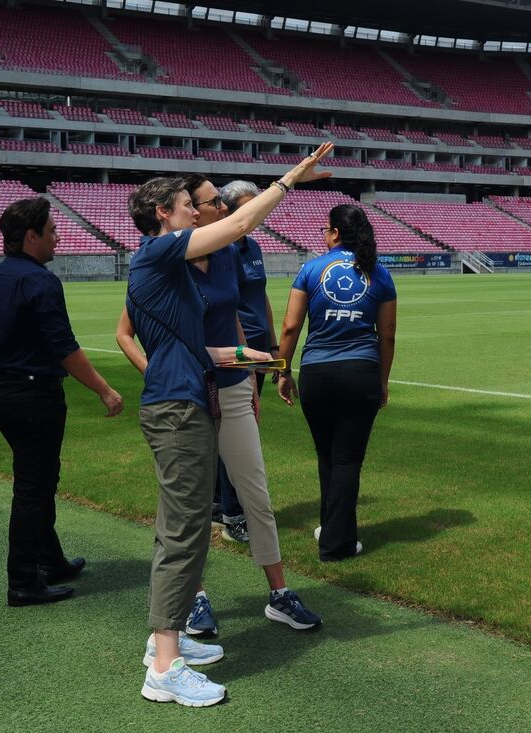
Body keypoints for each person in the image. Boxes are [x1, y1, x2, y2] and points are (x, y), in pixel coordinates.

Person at [125, 142, 332, 708]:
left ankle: (162, 644)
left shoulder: (166, 271)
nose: (195, 209)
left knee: (180, 527)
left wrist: (253, 358)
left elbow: (203, 348)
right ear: (163, 215)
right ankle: (165, 666)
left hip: (184, 398)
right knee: (186, 532)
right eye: (185, 204)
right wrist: (291, 179)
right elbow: (241, 219)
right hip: (177, 408)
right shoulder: (158, 253)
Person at [0, 196, 123, 607]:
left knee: (36, 482)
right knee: (34, 488)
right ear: (30, 236)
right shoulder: (39, 281)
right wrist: (104, 389)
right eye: (52, 231)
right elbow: (64, 347)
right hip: (34, 394)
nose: (58, 238)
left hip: (4, 391)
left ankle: (50, 560)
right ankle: (23, 580)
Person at [276, 204, 397, 562]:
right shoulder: (380, 273)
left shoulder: (311, 269)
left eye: (325, 230)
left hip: (317, 372)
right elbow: (387, 335)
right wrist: (383, 381)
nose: (323, 235)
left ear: (335, 233)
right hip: (361, 372)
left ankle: (332, 529)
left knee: (327, 455)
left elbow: (290, 328)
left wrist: (282, 371)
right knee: (347, 460)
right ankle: (337, 542)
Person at [215, 180, 281, 546]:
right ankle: (233, 513)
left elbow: (261, 296)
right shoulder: (218, 246)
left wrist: (271, 344)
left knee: (246, 427)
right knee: (236, 432)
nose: (254, 212)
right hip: (233, 352)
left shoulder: (252, 245)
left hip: (258, 349)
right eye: (245, 206)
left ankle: (225, 504)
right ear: (226, 210)